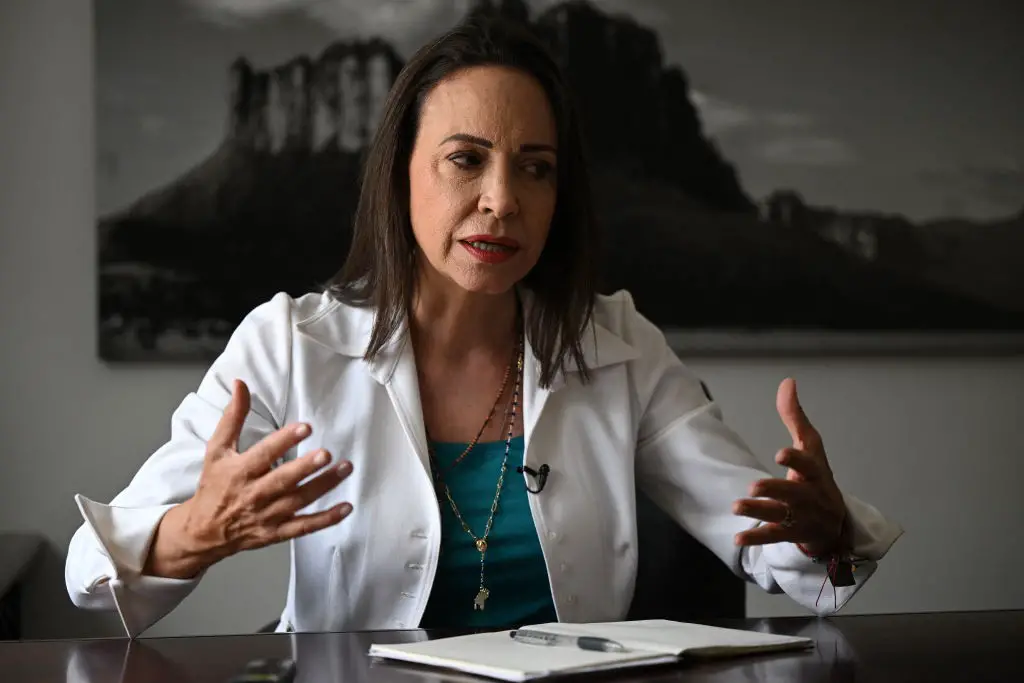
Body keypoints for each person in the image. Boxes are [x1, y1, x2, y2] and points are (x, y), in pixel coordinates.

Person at [65, 17, 902, 638]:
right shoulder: (289, 345)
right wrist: (196, 531)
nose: (502, 199)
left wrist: (824, 533)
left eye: (534, 169)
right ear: (401, 176)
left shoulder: (618, 342)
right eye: (466, 159)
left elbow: (772, 545)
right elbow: (88, 573)